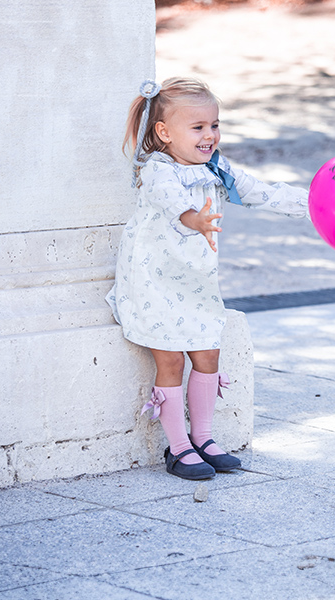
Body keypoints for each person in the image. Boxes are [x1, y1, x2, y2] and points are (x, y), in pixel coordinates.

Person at [106, 77, 309, 480]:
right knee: (170, 360)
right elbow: (173, 203)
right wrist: (194, 219)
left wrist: (311, 203)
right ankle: (178, 448)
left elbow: (256, 191)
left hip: (194, 284)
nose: (210, 135)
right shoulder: (158, 171)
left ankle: (204, 438)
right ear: (164, 132)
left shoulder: (216, 168)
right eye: (197, 127)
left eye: (214, 125)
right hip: (154, 284)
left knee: (207, 356)